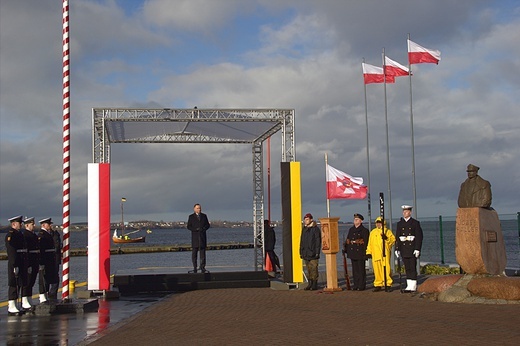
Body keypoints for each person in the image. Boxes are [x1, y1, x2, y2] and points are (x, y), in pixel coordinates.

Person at [395, 205, 423, 293]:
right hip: (404, 248)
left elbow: (419, 236)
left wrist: (417, 248)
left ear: (410, 212)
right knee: (407, 267)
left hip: (412, 248)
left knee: (412, 267)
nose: (404, 213)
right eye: (403, 211)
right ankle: (409, 285)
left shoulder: (415, 223)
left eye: (406, 211)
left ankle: (413, 285)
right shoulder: (400, 224)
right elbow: (397, 236)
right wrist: (397, 249)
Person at [5, 215, 27, 316]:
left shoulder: (19, 234)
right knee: (13, 284)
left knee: (19, 283)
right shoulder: (11, 235)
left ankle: (16, 305)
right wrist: (14, 265)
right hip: (15, 262)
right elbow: (11, 251)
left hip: (21, 261)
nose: (21, 224)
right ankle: (11, 305)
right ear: (14, 224)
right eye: (19, 223)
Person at [366, 217, 395, 292]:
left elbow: (392, 240)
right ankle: (378, 284)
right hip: (375, 254)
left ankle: (388, 284)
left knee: (386, 269)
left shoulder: (387, 231)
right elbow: (369, 243)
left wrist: (386, 238)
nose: (378, 224)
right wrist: (368, 252)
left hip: (384, 254)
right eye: (377, 222)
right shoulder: (373, 232)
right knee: (377, 270)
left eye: (380, 222)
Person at [343, 213, 369, 291]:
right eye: (354, 219)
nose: (355, 221)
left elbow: (366, 242)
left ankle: (361, 285)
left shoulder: (364, 230)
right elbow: (348, 240)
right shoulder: (351, 229)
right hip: (353, 251)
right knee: (355, 270)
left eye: (357, 219)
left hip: (360, 252)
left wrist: (366, 253)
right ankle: (356, 284)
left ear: (361, 221)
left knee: (361, 270)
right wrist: (346, 249)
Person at [38, 218, 59, 303]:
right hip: (46, 260)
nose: (50, 226)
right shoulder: (42, 235)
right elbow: (41, 250)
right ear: (43, 225)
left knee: (53, 278)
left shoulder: (50, 234)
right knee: (44, 279)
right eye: (48, 224)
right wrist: (41, 262)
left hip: (51, 260)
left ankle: (50, 295)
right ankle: (43, 295)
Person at [299, 213, 321, 291]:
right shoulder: (304, 229)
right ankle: (310, 283)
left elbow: (318, 241)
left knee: (314, 268)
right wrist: (301, 251)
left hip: (313, 252)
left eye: (307, 219)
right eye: (305, 219)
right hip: (306, 252)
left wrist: (317, 252)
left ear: (311, 219)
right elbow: (301, 241)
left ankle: (314, 284)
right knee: (308, 269)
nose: (306, 221)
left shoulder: (315, 229)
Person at [21, 216, 39, 310]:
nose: (34, 225)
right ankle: (25, 301)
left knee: (32, 281)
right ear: (27, 225)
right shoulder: (25, 235)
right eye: (32, 224)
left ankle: (29, 298)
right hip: (29, 260)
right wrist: (27, 264)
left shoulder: (34, 235)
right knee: (27, 282)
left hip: (35, 260)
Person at [187, 203, 211, 273]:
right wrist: (195, 229)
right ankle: (195, 266)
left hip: (202, 237)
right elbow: (189, 226)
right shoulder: (191, 217)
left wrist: (203, 229)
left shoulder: (204, 216)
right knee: (194, 253)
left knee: (202, 253)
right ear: (194, 209)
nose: (199, 209)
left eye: (200, 208)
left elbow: (207, 225)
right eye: (197, 208)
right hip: (195, 237)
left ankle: (202, 267)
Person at [50, 223, 62, 299]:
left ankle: (52, 294)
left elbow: (57, 246)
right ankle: (49, 294)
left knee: (55, 277)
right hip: (49, 259)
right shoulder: (43, 235)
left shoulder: (55, 234)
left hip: (55, 259)